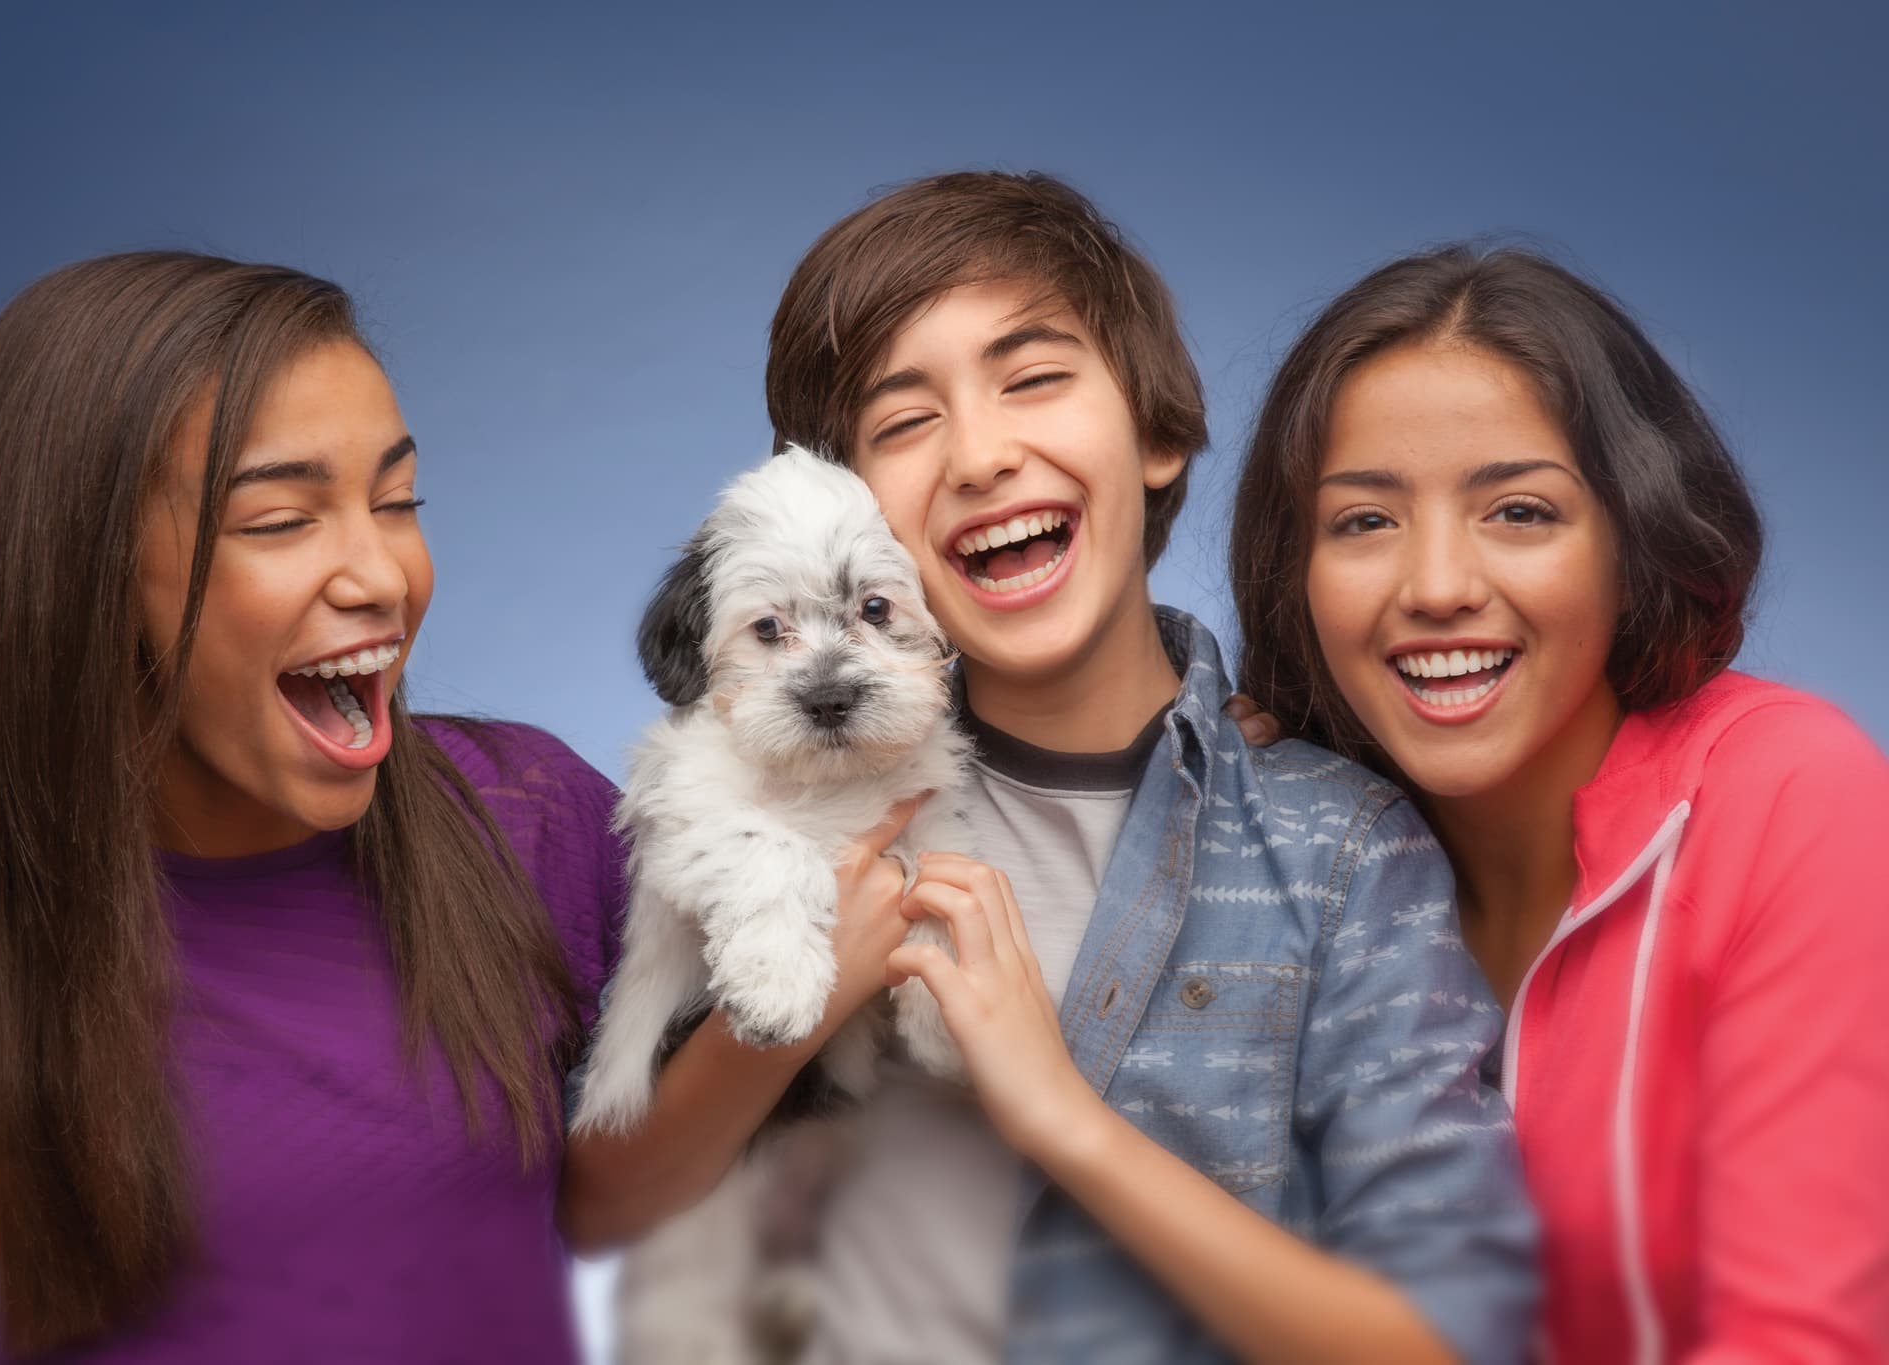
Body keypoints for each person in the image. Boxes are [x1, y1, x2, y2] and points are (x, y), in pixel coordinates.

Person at [561, 172, 1537, 1364]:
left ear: (1158, 434)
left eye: (1032, 379)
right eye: (903, 420)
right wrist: (787, 1016)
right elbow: (600, 1200)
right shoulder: (767, 799)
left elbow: (1452, 1336)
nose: (978, 455)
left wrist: (1062, 1118)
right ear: (836, 507)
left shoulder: (1333, 849)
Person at [0, 252, 626, 1363]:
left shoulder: (529, 817)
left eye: (397, 502)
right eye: (280, 521)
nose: (382, 576)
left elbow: (835, 1076)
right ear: (91, 573)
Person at [1228, 244, 1889, 1361]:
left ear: (1630, 544)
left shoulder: (1789, 794)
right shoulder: (1297, 854)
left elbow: (1797, 1341)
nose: (1435, 586)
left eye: (1518, 512)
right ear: (1296, 578)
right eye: (1364, 522)